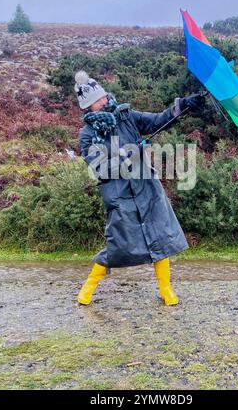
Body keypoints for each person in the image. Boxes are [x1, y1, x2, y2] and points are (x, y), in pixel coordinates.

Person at [75, 70, 204, 306]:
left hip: (147, 189)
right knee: (117, 247)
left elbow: (158, 120)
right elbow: (98, 167)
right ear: (87, 108)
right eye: (94, 102)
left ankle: (166, 290)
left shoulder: (128, 117)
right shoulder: (88, 135)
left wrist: (182, 106)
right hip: (119, 196)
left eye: (101, 97)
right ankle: (88, 287)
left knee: (161, 237)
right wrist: (129, 155)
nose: (101, 103)